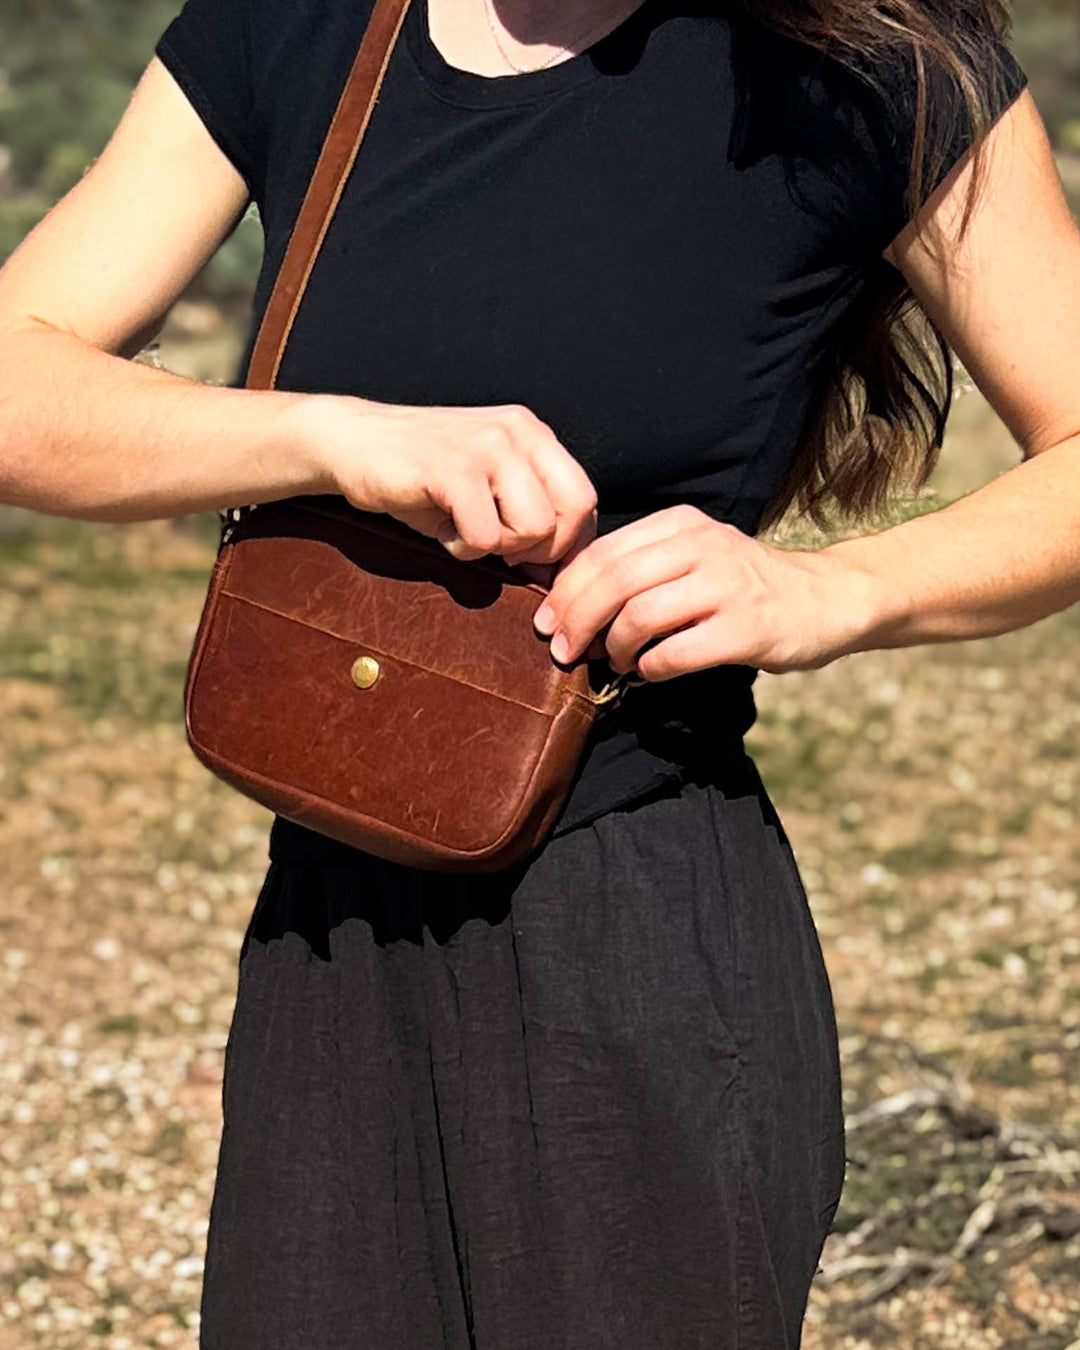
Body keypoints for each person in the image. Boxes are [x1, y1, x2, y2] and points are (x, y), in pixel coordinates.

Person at [0, 0, 1075, 1343]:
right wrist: (335, 439)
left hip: (631, 928)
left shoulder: (878, 60)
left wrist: (835, 589)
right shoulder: (302, 24)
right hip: (327, 922)